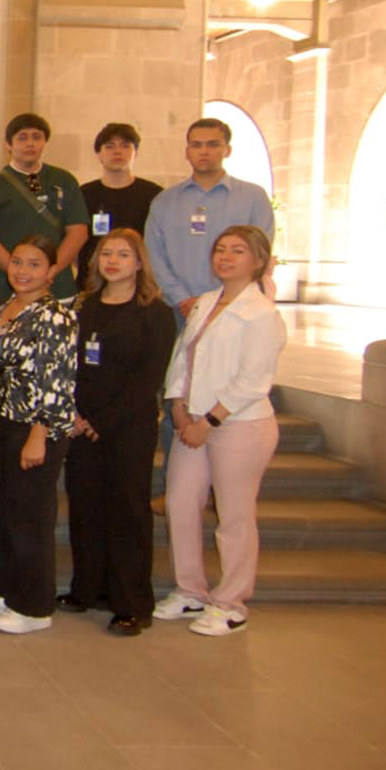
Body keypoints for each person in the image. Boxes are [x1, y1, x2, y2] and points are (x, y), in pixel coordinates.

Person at [155, 225, 287, 637]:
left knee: (234, 515)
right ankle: (190, 589)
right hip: (191, 421)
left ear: (258, 261)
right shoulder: (205, 303)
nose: (226, 257)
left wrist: (209, 422)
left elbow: (253, 380)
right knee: (180, 503)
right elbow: (182, 359)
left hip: (238, 426)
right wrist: (178, 405)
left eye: (238, 251)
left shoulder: (263, 313)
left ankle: (231, 602)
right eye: (221, 250)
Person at [60, 228, 176, 636]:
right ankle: (87, 589)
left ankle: (132, 603)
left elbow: (149, 379)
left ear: (139, 263)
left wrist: (102, 421)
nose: (112, 261)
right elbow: (67, 366)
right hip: (81, 424)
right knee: (86, 508)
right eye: (106, 253)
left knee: (127, 513)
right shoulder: (83, 307)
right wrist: (73, 413)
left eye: (123, 254)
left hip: (128, 427)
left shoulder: (155, 313)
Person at [0, 235, 78, 635]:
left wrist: (40, 432)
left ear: (51, 271)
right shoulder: (4, 307)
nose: (23, 271)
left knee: (28, 516)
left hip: (36, 426)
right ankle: (1, 588)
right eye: (17, 261)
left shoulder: (56, 317)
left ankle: (33, 605)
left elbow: (58, 379)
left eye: (34, 264)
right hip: (0, 422)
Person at [144, 118, 277, 322]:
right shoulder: (164, 202)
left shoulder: (253, 198)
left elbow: (260, 254)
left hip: (235, 310)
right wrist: (183, 299)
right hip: (178, 309)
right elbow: (155, 257)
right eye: (196, 145)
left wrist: (219, 301)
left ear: (227, 150)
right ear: (187, 152)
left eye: (213, 144)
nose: (204, 151)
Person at [0, 112, 89, 302]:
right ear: (8, 144)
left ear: (45, 142)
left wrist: (50, 271)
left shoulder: (64, 180)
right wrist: (19, 273)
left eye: (36, 137)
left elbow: (78, 231)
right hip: (5, 289)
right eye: (22, 138)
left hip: (57, 286)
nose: (30, 143)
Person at [76, 123, 162, 287]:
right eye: (109, 146)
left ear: (135, 153)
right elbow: (75, 241)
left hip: (139, 283)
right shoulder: (83, 194)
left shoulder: (153, 195)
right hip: (91, 283)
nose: (117, 152)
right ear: (98, 154)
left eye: (125, 146)